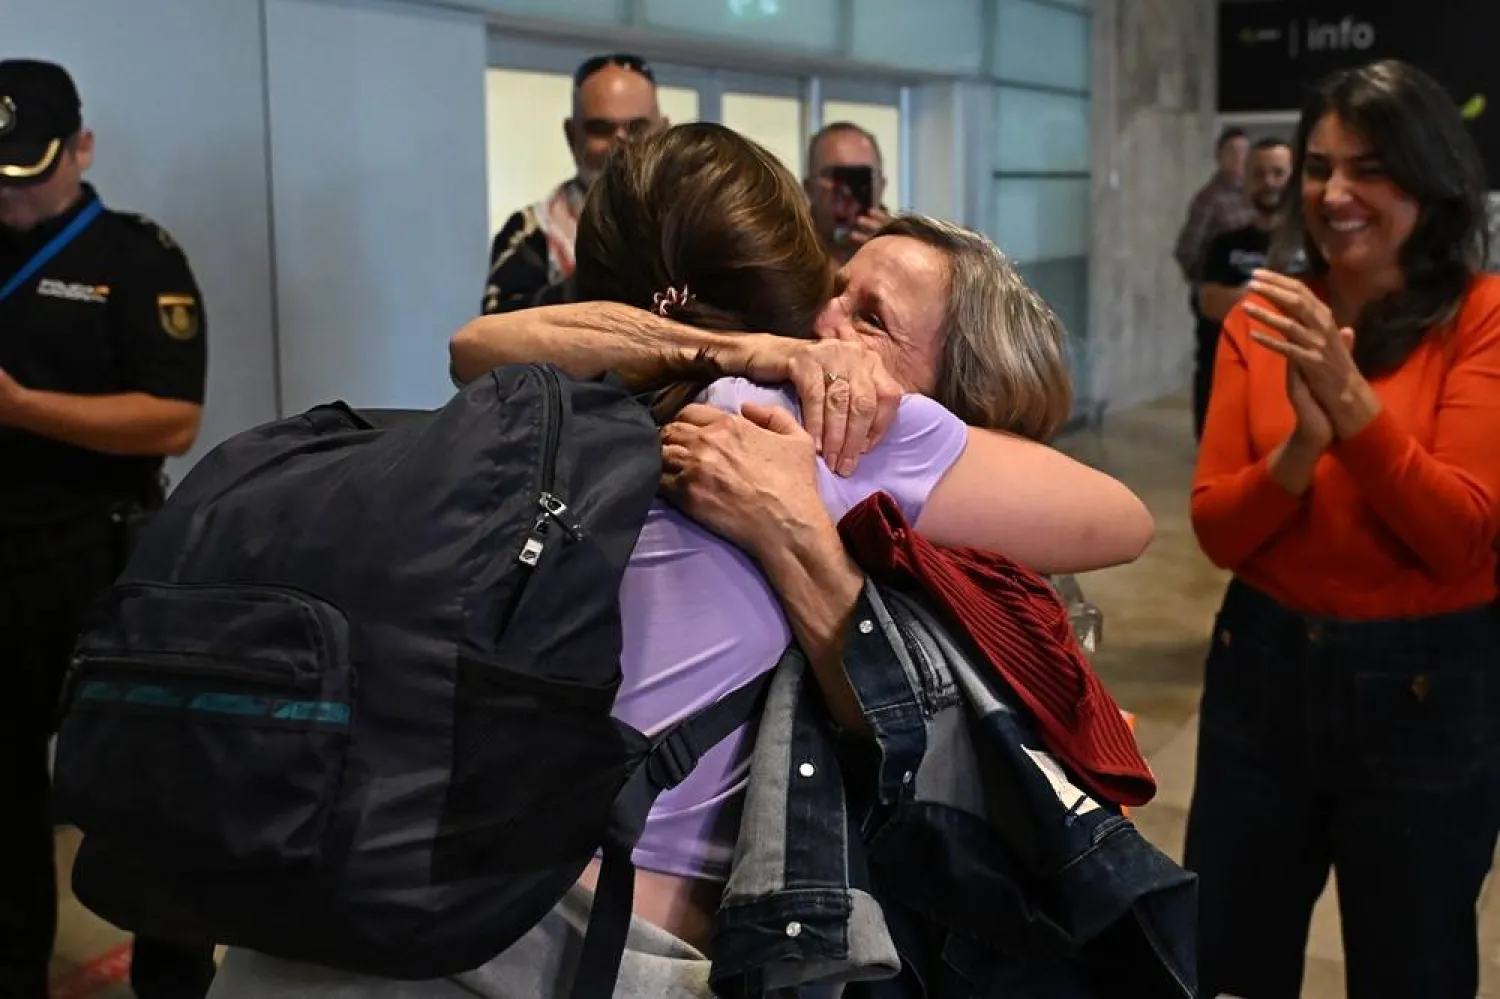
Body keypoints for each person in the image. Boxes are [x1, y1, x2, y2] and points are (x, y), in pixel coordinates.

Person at [211, 122, 1152, 998]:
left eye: (871, 318)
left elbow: (475, 348)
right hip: (540, 934)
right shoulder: (761, 403)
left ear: (957, 390)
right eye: (833, 285)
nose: (824, 320)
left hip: (373, 891)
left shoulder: (845, 432)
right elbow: (1120, 519)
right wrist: (749, 348)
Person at [1188, 59, 1500, 999]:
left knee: (1415, 963)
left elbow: (1461, 535)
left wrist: (1349, 403)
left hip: (1427, 685)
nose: (1333, 193)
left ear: (1430, 179)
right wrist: (1301, 452)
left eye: (1369, 168)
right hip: (1263, 666)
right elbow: (1218, 530)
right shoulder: (1269, 316)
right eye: (1321, 166)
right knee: (1225, 956)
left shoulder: (1481, 317)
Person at [0, 59, 215, 998]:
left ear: (81, 148)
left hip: (101, 552)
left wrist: (19, 407)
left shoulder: (136, 257)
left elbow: (172, 419)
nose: (11, 194)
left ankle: (170, 980)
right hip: (2, 564)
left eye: (31, 170)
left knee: (143, 789)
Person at [480, 53, 667, 315]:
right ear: (571, 135)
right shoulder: (531, 230)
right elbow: (495, 334)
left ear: (664, 131)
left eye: (637, 127)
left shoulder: (696, 219)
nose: (622, 143)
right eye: (601, 128)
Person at [1191, 137, 1293, 439]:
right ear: (1246, 181)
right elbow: (1210, 304)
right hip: (1224, 382)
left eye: (1278, 173)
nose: (1269, 182)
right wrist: (1285, 296)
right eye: (1259, 174)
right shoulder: (1223, 245)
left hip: (1288, 388)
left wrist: (1244, 294)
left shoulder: (1313, 247)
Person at [804, 121, 891, 266]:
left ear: (881, 186)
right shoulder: (779, 255)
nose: (846, 190)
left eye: (860, 177)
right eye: (834, 175)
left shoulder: (911, 255)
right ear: (809, 188)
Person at [1174, 126, 1252, 285]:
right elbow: (1187, 249)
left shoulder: (1256, 195)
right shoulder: (1209, 198)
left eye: (1244, 152)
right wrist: (1208, 283)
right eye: (1232, 151)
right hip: (1223, 287)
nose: (1239, 158)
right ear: (1219, 157)